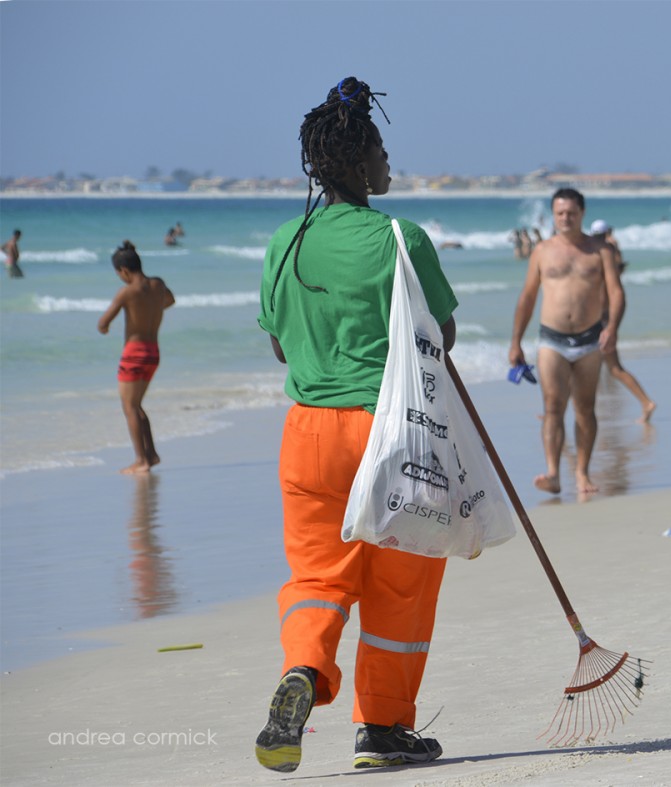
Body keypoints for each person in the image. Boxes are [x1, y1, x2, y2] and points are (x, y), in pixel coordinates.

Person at [254, 77, 459, 773]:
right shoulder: (402, 238)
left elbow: (281, 343)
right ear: (356, 161)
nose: (388, 162)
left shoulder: (286, 241)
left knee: (317, 576)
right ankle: (383, 726)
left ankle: (305, 671)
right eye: (379, 148)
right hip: (388, 434)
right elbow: (444, 335)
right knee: (398, 585)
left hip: (307, 435)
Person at [509, 189, 624, 495]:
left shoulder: (600, 250)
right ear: (553, 215)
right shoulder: (543, 251)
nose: (565, 218)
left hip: (589, 339)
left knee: (585, 409)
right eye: (559, 213)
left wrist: (612, 328)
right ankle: (552, 473)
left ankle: (582, 473)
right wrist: (515, 341)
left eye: (571, 213)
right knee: (553, 406)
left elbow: (616, 292)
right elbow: (528, 297)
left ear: (582, 213)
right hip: (552, 339)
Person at [97, 240, 176, 474]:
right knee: (137, 405)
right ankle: (151, 455)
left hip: (133, 354)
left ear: (123, 271)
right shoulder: (158, 285)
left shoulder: (127, 292)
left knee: (129, 407)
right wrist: (152, 309)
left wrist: (104, 329)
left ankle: (141, 461)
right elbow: (170, 301)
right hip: (153, 353)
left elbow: (103, 323)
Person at [591, 219, 657, 423]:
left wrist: (612, 327)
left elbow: (618, 297)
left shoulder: (604, 259)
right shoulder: (606, 256)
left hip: (601, 321)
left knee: (613, 368)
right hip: (600, 320)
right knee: (601, 368)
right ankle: (554, 413)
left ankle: (646, 402)